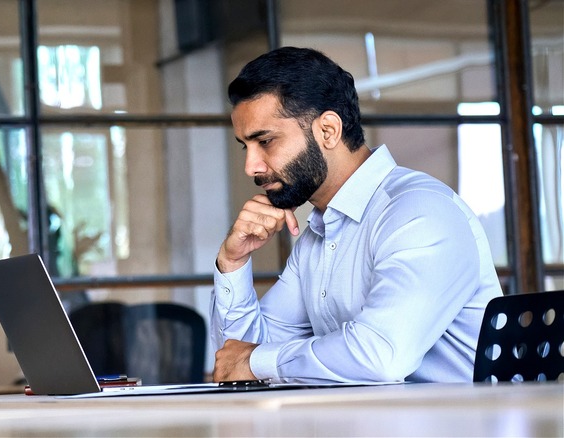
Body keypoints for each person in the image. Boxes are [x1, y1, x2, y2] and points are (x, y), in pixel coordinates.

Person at [211, 47, 502, 384]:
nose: (251, 167)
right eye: (245, 146)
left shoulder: (419, 213)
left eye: (265, 141)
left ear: (328, 131)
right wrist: (233, 262)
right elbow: (239, 360)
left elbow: (380, 357)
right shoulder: (317, 237)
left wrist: (256, 360)